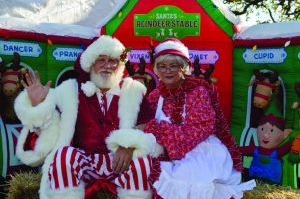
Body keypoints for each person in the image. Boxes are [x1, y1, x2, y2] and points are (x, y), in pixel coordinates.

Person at [14, 35, 157, 199]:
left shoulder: (133, 90)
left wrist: (130, 145)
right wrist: (38, 106)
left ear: (120, 64)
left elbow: (149, 127)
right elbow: (50, 132)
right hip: (86, 162)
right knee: (64, 155)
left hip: (120, 164)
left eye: (113, 60)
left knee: (142, 160)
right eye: (101, 60)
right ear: (90, 63)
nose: (108, 66)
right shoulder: (70, 91)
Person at [144, 38, 256, 199]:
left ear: (184, 68)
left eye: (173, 66)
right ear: (156, 70)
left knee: (187, 175)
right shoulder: (155, 95)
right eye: (162, 66)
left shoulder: (197, 91)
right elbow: (144, 124)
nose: (167, 71)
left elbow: (197, 131)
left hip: (200, 150)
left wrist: (157, 128)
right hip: (167, 149)